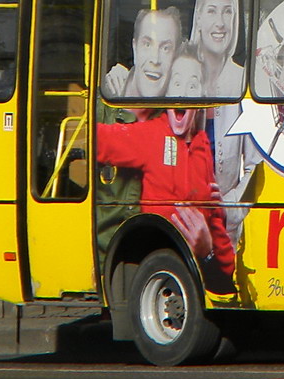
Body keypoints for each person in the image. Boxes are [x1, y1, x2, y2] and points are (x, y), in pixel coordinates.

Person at [95, 43, 236, 295]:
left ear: (201, 96)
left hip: (201, 274)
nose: (182, 93)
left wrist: (215, 256)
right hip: (164, 264)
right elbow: (98, 139)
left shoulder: (203, 145)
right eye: (176, 83)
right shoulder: (153, 134)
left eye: (192, 85)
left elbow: (217, 230)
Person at [190, 0, 255, 245]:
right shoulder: (180, 76)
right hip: (182, 218)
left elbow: (254, 166)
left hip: (226, 228)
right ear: (199, 18)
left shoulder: (244, 82)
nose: (220, 22)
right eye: (212, 11)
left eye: (228, 12)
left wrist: (229, 209)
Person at [103, 6, 182, 99]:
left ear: (176, 56)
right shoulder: (113, 90)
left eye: (166, 48)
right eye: (147, 44)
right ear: (135, 47)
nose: (155, 60)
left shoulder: (182, 97)